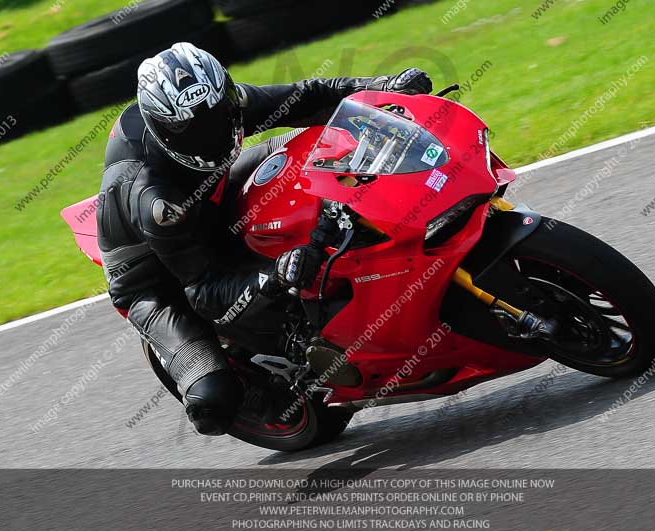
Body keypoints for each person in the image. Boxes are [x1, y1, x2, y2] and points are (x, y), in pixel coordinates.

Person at [96, 42, 432, 435]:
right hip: (157, 277)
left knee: (324, 144)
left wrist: (386, 86)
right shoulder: (154, 198)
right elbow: (203, 291)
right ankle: (267, 392)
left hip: (211, 192)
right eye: (196, 131)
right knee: (213, 402)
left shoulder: (223, 106)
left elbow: (307, 97)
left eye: (220, 116)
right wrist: (276, 274)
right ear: (164, 130)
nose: (214, 133)